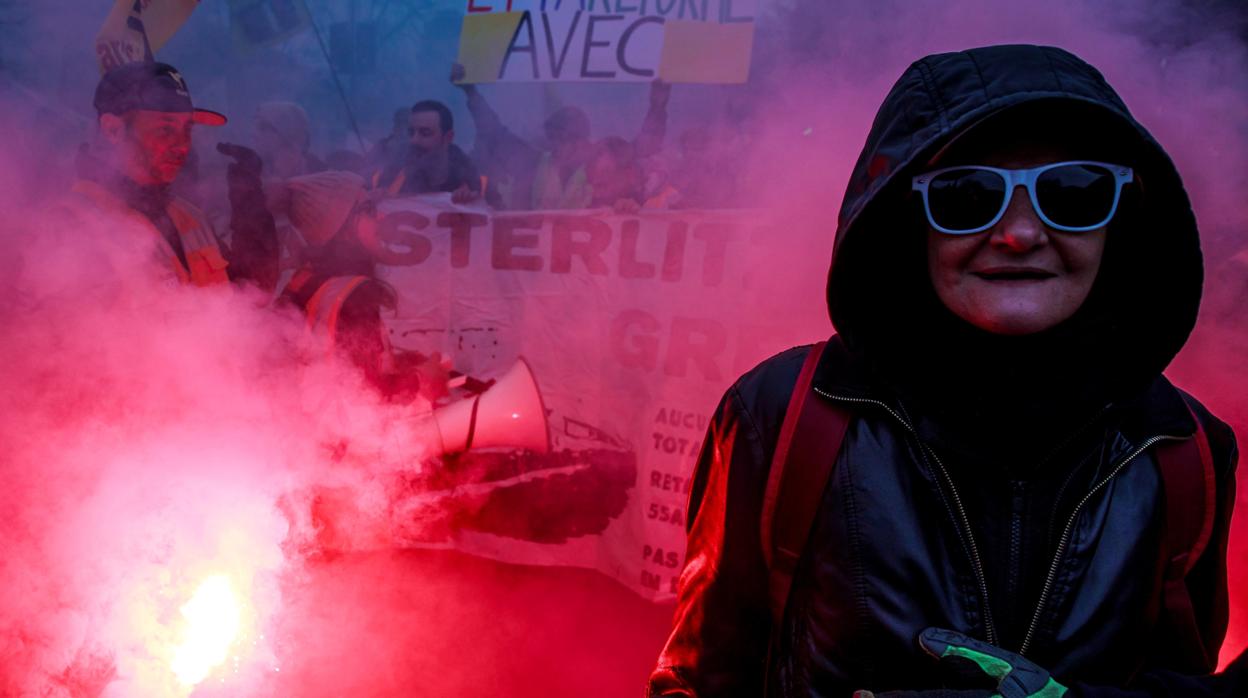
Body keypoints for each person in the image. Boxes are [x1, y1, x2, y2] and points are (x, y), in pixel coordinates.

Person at [649, 44, 1244, 697]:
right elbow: (702, 679)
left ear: (1120, 221)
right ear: (909, 222)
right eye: (968, 195)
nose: (1020, 233)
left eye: (1074, 191)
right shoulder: (782, 415)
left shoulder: (1185, 453)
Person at [58, 61, 233, 288]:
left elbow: (245, 300)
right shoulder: (72, 224)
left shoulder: (191, 217)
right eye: (165, 130)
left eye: (187, 130)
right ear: (113, 129)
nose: (182, 146)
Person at [452, 63, 670, 210]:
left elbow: (645, 145)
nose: (559, 146)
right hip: (539, 266)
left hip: (589, 265)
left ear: (584, 140)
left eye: (566, 138)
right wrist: (470, 92)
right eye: (554, 137)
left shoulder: (607, 167)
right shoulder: (534, 162)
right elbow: (495, 134)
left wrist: (657, 107)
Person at [373, 99, 491, 206]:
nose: (414, 140)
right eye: (411, 132)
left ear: (448, 137)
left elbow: (499, 220)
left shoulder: (474, 182)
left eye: (425, 133)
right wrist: (374, 198)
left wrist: (470, 203)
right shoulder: (391, 174)